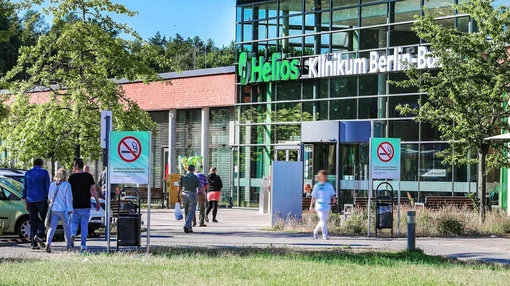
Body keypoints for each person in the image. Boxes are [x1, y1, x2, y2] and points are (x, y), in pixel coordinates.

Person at [69, 158, 100, 251]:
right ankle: (83, 244)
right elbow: (93, 190)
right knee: (84, 225)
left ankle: (73, 234)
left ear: (77, 166)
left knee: (74, 222)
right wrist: (97, 201)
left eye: (74, 165)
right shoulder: (89, 176)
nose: (73, 167)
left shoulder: (72, 177)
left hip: (75, 204)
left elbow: (69, 192)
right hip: (86, 204)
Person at [22, 158, 50, 250]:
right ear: (41, 164)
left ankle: (33, 244)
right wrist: (48, 198)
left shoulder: (28, 173)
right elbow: (47, 186)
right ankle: (39, 234)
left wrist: (25, 201)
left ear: (33, 164)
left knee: (33, 221)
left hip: (30, 200)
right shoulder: (44, 172)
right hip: (41, 199)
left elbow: (24, 188)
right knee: (45, 218)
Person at [45, 168, 73, 253]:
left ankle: (48, 243)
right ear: (65, 176)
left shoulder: (52, 184)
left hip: (54, 209)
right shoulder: (67, 185)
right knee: (67, 228)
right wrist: (70, 209)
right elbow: (68, 198)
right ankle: (68, 246)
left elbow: (49, 197)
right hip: (64, 210)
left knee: (52, 227)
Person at [309, 170, 336, 240]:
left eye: (324, 176)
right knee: (323, 220)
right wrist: (311, 206)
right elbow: (313, 197)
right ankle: (325, 235)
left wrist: (334, 199)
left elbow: (332, 194)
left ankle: (315, 231)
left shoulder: (329, 185)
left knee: (322, 220)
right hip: (319, 205)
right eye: (321, 176)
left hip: (326, 205)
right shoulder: (317, 186)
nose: (323, 177)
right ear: (319, 177)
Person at [177, 165, 201, 233]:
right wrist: (203, 196)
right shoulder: (195, 177)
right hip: (192, 195)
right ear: (193, 170)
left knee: (186, 211)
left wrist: (178, 196)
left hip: (184, 194)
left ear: (187, 169)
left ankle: (189, 228)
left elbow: (179, 187)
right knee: (191, 212)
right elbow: (200, 188)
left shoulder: (183, 177)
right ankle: (187, 225)